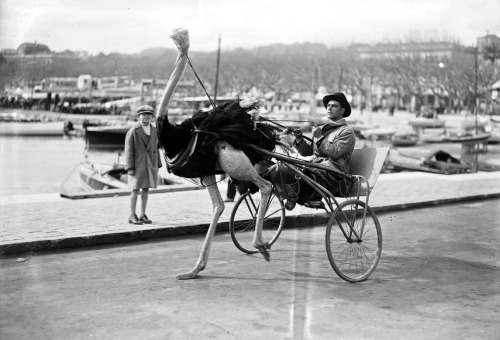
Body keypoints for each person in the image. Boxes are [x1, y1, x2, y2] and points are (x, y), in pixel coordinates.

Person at [269, 92, 356, 210]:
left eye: (334, 106)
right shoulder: (323, 129)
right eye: (328, 105)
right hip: (319, 167)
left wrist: (320, 137)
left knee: (302, 167)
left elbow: (335, 153)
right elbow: (311, 151)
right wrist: (300, 140)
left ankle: (299, 196)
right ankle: (291, 193)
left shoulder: (347, 131)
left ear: (342, 110)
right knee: (285, 164)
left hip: (335, 170)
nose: (329, 108)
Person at [124, 105, 163, 224]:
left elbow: (156, 148)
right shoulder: (133, 131)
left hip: (150, 165)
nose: (147, 116)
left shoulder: (154, 130)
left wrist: (158, 164)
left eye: (149, 114)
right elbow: (128, 151)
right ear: (139, 116)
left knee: (145, 190)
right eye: (144, 114)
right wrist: (130, 167)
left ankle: (142, 214)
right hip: (137, 166)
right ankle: (132, 215)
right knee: (135, 190)